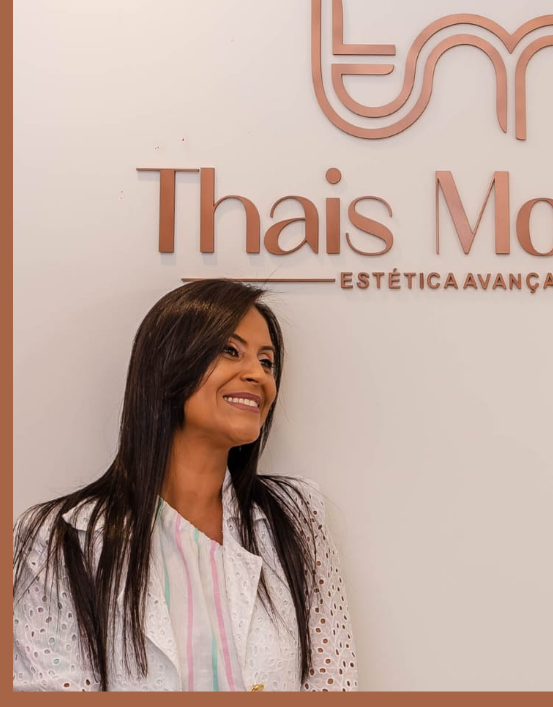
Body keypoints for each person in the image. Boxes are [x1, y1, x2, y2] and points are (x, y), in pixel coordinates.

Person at [12, 279, 358, 691]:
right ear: (169, 365)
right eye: (230, 351)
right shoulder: (57, 538)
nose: (258, 375)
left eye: (267, 362)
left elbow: (334, 684)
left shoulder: (297, 517)